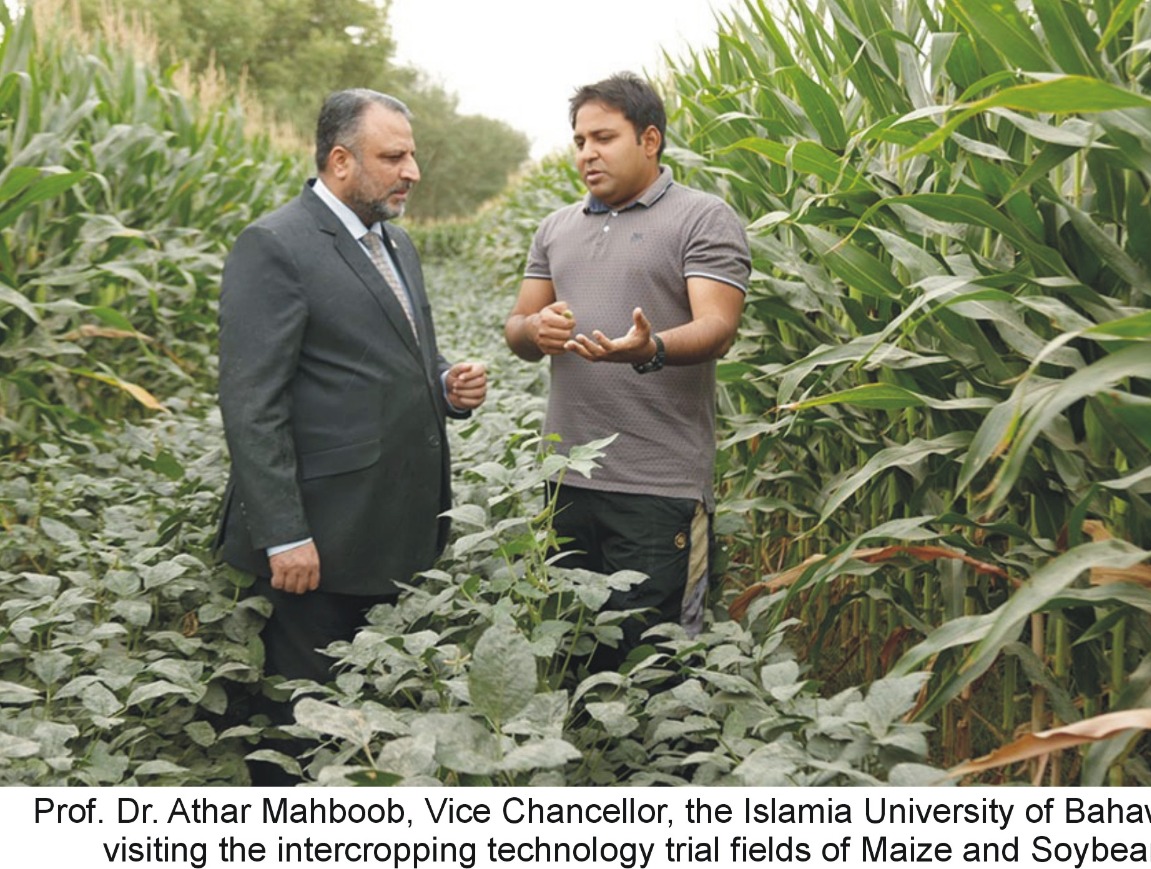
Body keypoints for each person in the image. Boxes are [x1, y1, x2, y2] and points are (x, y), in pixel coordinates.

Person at [215, 88, 486, 783]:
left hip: (388, 530)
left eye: (412, 155)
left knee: (368, 724)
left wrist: (445, 383)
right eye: (393, 157)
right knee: (301, 734)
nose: (412, 171)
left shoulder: (395, 242)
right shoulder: (276, 244)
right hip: (317, 541)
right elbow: (252, 403)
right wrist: (284, 533)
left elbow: (400, 357)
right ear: (341, 161)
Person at [504, 72, 751, 672]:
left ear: (650, 140)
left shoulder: (703, 218)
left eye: (604, 138)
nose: (587, 153)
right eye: (579, 141)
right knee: (571, 661)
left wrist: (649, 347)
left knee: (651, 666)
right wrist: (536, 330)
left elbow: (717, 327)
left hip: (657, 487)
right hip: (565, 482)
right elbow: (517, 327)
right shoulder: (555, 228)